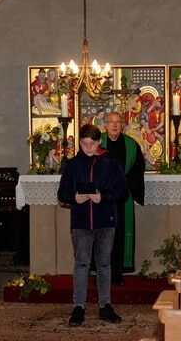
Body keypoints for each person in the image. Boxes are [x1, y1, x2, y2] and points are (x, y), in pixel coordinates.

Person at [58, 124, 129, 326]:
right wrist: (73, 198)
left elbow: (122, 192)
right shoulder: (72, 165)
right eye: (84, 144)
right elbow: (61, 193)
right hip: (81, 222)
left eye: (92, 144)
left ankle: (105, 306)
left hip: (105, 221)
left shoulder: (111, 163)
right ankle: (78, 307)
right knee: (81, 264)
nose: (88, 148)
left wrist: (103, 197)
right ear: (79, 142)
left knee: (104, 264)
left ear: (99, 142)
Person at [102, 111, 145, 285]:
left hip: (122, 197)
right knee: (103, 234)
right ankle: (102, 272)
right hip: (101, 197)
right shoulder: (97, 143)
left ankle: (118, 272)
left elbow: (137, 170)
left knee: (120, 234)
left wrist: (126, 184)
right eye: (110, 122)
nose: (114, 125)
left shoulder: (131, 145)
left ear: (123, 125)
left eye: (118, 122)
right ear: (104, 125)